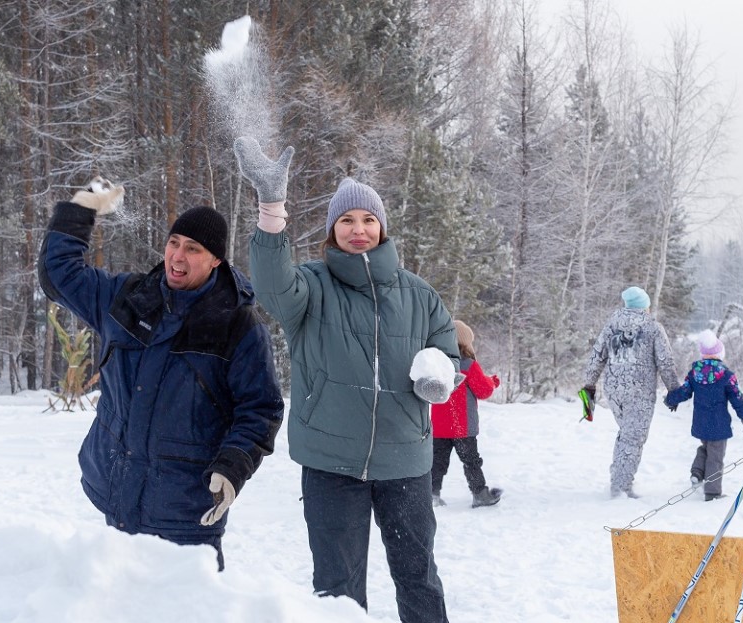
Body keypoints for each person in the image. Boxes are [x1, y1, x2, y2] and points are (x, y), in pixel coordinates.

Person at [234, 137, 460, 623]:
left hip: (405, 461)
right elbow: (272, 288)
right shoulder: (311, 286)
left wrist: (440, 370)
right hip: (332, 464)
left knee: (418, 576)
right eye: (347, 220)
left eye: (368, 220)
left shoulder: (419, 294)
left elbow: (448, 348)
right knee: (337, 590)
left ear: (382, 228)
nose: (359, 229)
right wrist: (272, 208)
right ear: (333, 230)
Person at [37, 177, 284, 570]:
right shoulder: (130, 299)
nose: (178, 257)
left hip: (186, 513)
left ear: (216, 260)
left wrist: (233, 466)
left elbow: (260, 409)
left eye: (193, 249)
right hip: (116, 494)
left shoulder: (237, 325)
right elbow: (58, 274)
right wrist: (79, 211)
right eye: (173, 243)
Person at [582, 286, 679, 498]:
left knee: (627, 434)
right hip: (639, 392)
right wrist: (674, 390)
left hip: (614, 391)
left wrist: (589, 384)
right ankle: (620, 488)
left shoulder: (612, 325)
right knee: (633, 439)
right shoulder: (653, 327)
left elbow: (597, 355)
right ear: (644, 305)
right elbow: (665, 361)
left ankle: (618, 476)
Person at [663, 330, 743, 501]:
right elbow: (737, 399)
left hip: (701, 423)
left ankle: (697, 473)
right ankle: (712, 493)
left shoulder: (695, 373)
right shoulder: (726, 376)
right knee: (716, 457)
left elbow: (684, 392)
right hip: (719, 425)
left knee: (705, 448)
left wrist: (670, 399)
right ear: (720, 354)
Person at [431, 321, 502, 509]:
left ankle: (431, 494)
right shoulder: (468, 364)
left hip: (439, 426)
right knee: (471, 461)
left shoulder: (436, 364)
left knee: (437, 462)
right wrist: (493, 382)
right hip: (463, 427)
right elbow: (484, 390)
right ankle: (479, 494)